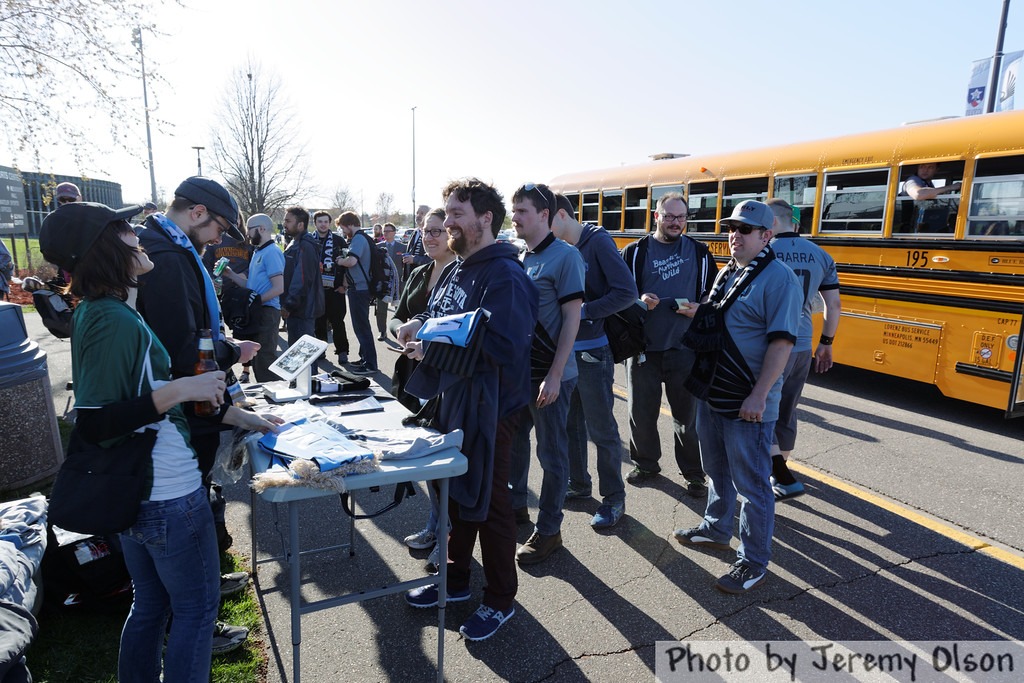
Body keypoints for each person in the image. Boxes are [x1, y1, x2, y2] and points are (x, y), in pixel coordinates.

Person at [39, 201, 278, 682]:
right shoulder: (110, 318)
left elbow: (140, 397)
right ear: (105, 247)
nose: (137, 234)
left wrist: (241, 416)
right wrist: (183, 388)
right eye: (124, 228)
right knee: (194, 611)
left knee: (150, 606)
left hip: (148, 492)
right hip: (164, 493)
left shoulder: (107, 312)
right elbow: (98, 421)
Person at [399, 178, 538, 642]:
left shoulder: (506, 275)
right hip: (455, 400)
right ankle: (456, 581)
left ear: (485, 219)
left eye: (456, 214)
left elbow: (501, 344)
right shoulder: (461, 267)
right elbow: (443, 316)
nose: (448, 222)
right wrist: (421, 326)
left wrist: (433, 349)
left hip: (492, 407)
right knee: (455, 494)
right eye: (447, 212)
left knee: (491, 503)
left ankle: (500, 599)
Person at [673, 199, 801, 595]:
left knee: (753, 486)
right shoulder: (729, 271)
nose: (734, 235)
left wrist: (760, 396)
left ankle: (753, 561)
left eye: (744, 230)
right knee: (716, 469)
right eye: (731, 228)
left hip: (747, 398)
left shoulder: (778, 278)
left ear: (767, 236)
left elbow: (781, 343)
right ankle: (716, 528)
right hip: (715, 389)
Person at [137, 176, 260, 553]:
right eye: (218, 229)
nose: (217, 239)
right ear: (197, 212)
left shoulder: (166, 247)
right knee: (188, 506)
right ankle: (194, 584)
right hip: (184, 411)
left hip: (185, 403)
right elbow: (183, 348)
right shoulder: (169, 258)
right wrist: (230, 353)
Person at [508, 182, 585, 565]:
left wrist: (555, 375)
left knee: (552, 455)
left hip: (551, 376)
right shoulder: (523, 257)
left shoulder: (565, 257)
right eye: (513, 210)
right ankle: (517, 509)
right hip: (521, 374)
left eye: (522, 211)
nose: (514, 217)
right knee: (517, 444)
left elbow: (573, 318)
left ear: (544, 215)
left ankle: (550, 530)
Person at [551, 193, 637, 529]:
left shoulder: (597, 241)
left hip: (592, 350)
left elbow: (626, 292)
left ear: (560, 215)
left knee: (602, 430)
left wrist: (582, 313)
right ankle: (579, 484)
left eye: (545, 221)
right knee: (572, 426)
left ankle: (614, 499)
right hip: (565, 353)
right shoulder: (557, 249)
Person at [621, 192, 717, 495]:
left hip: (685, 349)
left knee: (688, 418)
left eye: (681, 217)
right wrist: (638, 301)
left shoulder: (700, 253)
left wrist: (699, 307)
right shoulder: (634, 252)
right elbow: (619, 296)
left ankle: (693, 473)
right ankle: (646, 464)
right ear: (656, 216)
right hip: (643, 349)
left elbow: (714, 297)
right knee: (641, 414)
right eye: (669, 216)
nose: (676, 222)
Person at [390, 207, 457, 570]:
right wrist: (403, 333)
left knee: (442, 458)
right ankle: (434, 525)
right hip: (412, 373)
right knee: (425, 456)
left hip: (441, 376)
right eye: (426, 231)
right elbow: (398, 315)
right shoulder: (418, 271)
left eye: (437, 231)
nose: (430, 237)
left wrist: (425, 343)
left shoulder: (459, 273)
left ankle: (448, 537)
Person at [765, 199, 841, 500]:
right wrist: (826, 343)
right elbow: (833, 305)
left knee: (763, 405)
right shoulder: (821, 255)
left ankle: (776, 473)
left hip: (772, 344)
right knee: (787, 409)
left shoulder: (765, 250)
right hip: (803, 343)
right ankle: (779, 470)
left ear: (770, 222)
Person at [221, 214, 286, 382]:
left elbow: (279, 288)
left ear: (262, 229)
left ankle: (276, 401)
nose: (247, 234)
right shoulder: (259, 251)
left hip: (268, 312)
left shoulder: (271, 252)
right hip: (259, 312)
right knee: (258, 360)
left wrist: (254, 304)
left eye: (249, 229)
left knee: (264, 359)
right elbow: (251, 286)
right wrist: (231, 274)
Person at [334, 210, 378, 374]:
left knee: (362, 327)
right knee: (361, 326)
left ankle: (370, 364)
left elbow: (351, 261)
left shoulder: (358, 238)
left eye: (343, 228)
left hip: (359, 289)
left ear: (350, 225)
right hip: (359, 287)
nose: (343, 231)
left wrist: (340, 261)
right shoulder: (361, 237)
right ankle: (365, 358)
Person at [281, 206, 326, 358]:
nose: (284, 224)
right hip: (298, 310)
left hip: (302, 310)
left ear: (300, 225)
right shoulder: (296, 243)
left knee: (302, 358)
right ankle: (300, 382)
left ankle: (307, 383)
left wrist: (289, 305)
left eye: (288, 221)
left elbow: (302, 279)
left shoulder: (305, 245)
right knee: (297, 355)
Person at [311, 210, 351, 364]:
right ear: (315, 223)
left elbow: (348, 265)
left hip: (335, 289)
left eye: (326, 222)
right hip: (316, 291)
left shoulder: (338, 240)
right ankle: (320, 351)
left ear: (329, 223)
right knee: (318, 322)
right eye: (320, 221)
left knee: (338, 322)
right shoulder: (309, 240)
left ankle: (342, 351)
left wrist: (344, 286)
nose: (323, 224)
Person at [375, 223, 405, 340]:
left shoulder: (403, 247)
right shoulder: (377, 246)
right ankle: (382, 331)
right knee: (381, 309)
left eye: (388, 231)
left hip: (398, 282)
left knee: (400, 308)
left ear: (394, 232)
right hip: (383, 283)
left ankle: (400, 331)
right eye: (384, 231)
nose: (386, 233)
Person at [402, 204, 432, 278]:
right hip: (412, 276)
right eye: (417, 213)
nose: (418, 215)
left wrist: (415, 259)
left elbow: (433, 258)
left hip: (426, 276)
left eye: (422, 213)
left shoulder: (432, 233)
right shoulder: (415, 233)